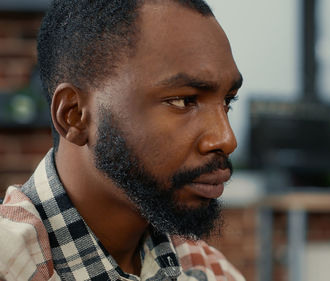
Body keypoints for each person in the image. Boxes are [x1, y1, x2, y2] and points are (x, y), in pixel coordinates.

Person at [0, 0, 245, 280]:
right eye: (182, 101)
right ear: (74, 115)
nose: (226, 139)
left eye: (228, 101)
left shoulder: (208, 270)